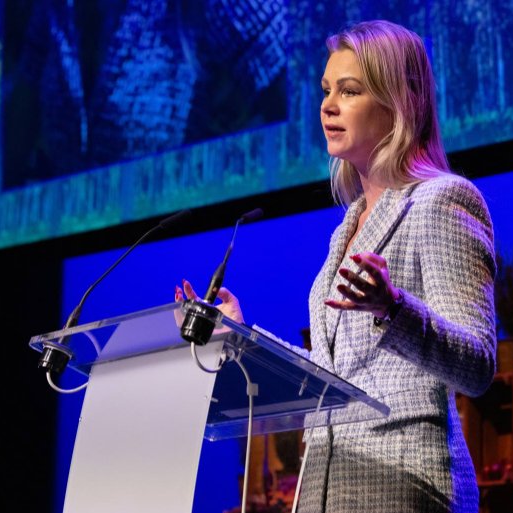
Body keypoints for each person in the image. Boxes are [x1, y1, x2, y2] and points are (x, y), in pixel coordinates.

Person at [177, 20, 496, 513]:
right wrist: (240, 338)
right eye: (327, 90)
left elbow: (477, 366)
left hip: (405, 485)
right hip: (327, 486)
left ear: (398, 102)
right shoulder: (347, 226)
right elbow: (334, 375)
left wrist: (393, 310)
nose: (328, 105)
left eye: (349, 91)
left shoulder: (442, 200)